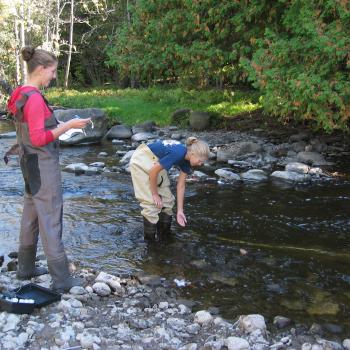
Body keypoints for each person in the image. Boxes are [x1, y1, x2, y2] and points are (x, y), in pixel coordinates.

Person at [7, 46, 91, 292]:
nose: (53, 76)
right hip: (43, 166)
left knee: (31, 214)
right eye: (52, 71)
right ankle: (62, 279)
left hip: (28, 164)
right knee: (51, 218)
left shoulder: (20, 93)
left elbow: (33, 130)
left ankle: (25, 268)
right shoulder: (33, 98)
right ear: (41, 69)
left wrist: (57, 123)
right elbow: (38, 138)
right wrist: (69, 126)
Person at [130, 137, 210, 241]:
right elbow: (153, 172)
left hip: (156, 161)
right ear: (193, 154)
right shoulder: (178, 153)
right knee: (151, 204)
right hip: (142, 159)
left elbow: (181, 185)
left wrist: (180, 211)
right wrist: (154, 194)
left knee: (168, 201)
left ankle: (164, 237)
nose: (200, 164)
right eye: (200, 161)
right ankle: (150, 244)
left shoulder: (187, 160)